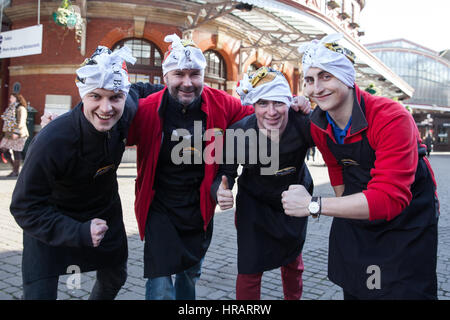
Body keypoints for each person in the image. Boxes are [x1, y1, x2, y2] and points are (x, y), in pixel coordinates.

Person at [127, 34, 310, 300]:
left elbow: (260, 110)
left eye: (194, 74)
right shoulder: (146, 108)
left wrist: (292, 101)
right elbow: (111, 121)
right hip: (160, 206)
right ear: (166, 77)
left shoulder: (220, 102)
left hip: (200, 205)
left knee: (190, 274)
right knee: (160, 282)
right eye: (179, 74)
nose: (187, 82)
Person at [282, 34, 440, 300]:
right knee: (358, 285)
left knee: (401, 290)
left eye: (326, 76)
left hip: (406, 220)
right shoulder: (319, 123)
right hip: (360, 215)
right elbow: (335, 166)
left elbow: (390, 198)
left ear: (347, 77)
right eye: (309, 80)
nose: (317, 88)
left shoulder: (391, 117)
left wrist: (314, 205)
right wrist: (349, 210)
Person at [10, 46, 163, 300]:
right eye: (96, 96)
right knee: (38, 295)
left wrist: (190, 91)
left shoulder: (126, 110)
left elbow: (148, 89)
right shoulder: (53, 140)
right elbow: (24, 207)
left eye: (115, 97)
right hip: (52, 219)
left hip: (103, 212)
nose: (106, 108)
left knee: (115, 277)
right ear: (83, 95)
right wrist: (78, 231)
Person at [211, 67, 314, 300]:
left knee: (293, 263)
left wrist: (309, 104)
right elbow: (225, 173)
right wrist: (220, 190)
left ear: (288, 102)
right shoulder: (239, 131)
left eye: (278, 103)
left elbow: (336, 143)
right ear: (253, 105)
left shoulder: (303, 123)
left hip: (293, 201)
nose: (271, 112)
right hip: (254, 205)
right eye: (262, 103)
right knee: (249, 268)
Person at [0, 93, 29, 177]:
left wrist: (16, 132)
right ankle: (14, 168)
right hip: (9, 134)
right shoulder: (11, 108)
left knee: (16, 151)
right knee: (3, 149)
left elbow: (21, 121)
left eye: (12, 97)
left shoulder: (21, 108)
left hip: (19, 134)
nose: (10, 99)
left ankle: (15, 171)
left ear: (17, 98)